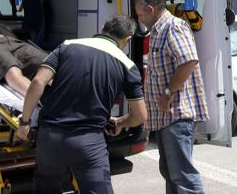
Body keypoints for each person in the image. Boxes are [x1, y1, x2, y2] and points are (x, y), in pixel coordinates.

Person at [17, 14, 147, 193]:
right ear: (128, 38)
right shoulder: (127, 65)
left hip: (50, 137)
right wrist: (119, 122)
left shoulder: (67, 46)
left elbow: (38, 82)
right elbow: (139, 116)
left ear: (103, 28)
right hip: (89, 143)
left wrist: (24, 122)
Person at [134, 0, 208, 194]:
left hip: (177, 115)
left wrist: (168, 92)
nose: (139, 19)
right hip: (166, 117)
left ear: (150, 9)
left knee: (182, 175)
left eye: (140, 14)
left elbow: (188, 61)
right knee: (170, 172)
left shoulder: (173, 26)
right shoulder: (158, 30)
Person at [0, 17, 47, 96]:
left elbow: (10, 33)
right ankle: (38, 99)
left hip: (11, 41)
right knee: (11, 70)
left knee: (46, 62)